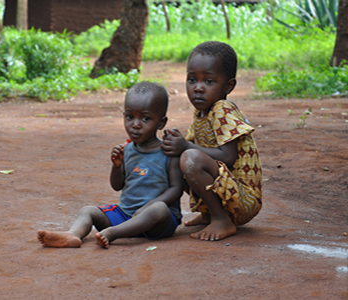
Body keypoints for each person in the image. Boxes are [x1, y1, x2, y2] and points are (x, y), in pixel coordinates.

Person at [38, 81, 183, 249]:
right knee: (88, 210)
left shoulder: (168, 151)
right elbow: (117, 186)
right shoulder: (126, 150)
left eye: (145, 118)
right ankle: (73, 234)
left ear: (161, 123)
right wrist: (116, 166)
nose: (135, 124)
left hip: (157, 222)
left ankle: (113, 233)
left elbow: (176, 188)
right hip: (127, 215)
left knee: (159, 209)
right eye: (130, 117)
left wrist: (149, 206)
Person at [161, 41, 262, 241]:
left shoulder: (222, 109)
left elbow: (228, 157)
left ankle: (221, 219)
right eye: (192, 80)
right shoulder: (201, 113)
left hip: (245, 199)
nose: (198, 88)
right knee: (176, 156)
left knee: (190, 158)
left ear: (229, 85)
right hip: (229, 193)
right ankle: (209, 213)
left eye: (208, 81)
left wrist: (186, 146)